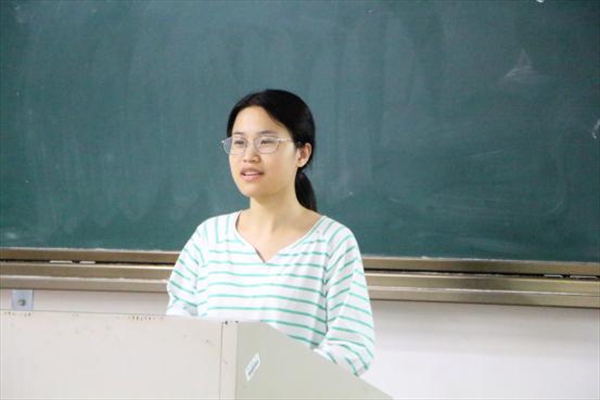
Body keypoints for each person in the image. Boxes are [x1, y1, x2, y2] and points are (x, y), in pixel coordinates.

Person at [166, 89, 374, 376]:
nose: (248, 156)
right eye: (239, 142)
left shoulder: (333, 243)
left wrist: (271, 381)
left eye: (266, 142)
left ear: (302, 153)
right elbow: (178, 334)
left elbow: (352, 347)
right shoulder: (208, 238)